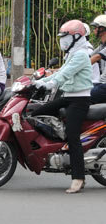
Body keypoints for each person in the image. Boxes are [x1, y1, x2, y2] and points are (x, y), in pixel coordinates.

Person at [32, 19, 92, 194]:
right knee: (37, 112)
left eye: (64, 36)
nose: (62, 40)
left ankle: (78, 178)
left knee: (73, 137)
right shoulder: (72, 53)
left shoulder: (81, 54)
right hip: (67, 97)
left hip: (79, 100)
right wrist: (36, 82)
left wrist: (50, 84)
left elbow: (65, 75)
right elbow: (59, 72)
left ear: (75, 36)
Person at [89, 15, 106, 103]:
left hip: (104, 86)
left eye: (96, 27)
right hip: (102, 84)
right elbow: (87, 58)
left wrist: (73, 69)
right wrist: (59, 70)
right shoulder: (102, 46)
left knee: (82, 97)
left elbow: (96, 57)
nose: (94, 30)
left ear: (102, 28)